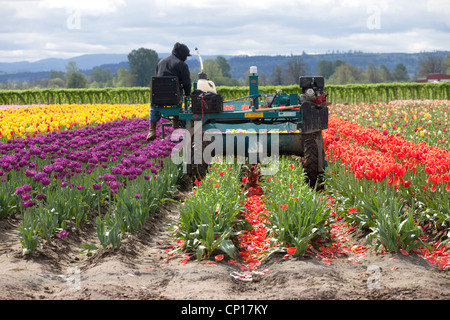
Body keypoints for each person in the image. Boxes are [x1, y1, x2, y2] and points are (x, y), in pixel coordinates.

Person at [147, 42, 192, 141]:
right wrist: (188, 94)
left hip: (157, 98)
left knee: (153, 106)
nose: (186, 58)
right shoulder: (182, 65)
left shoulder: (161, 62)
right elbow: (186, 83)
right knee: (179, 99)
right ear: (182, 54)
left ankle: (152, 130)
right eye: (186, 56)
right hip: (174, 98)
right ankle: (175, 123)